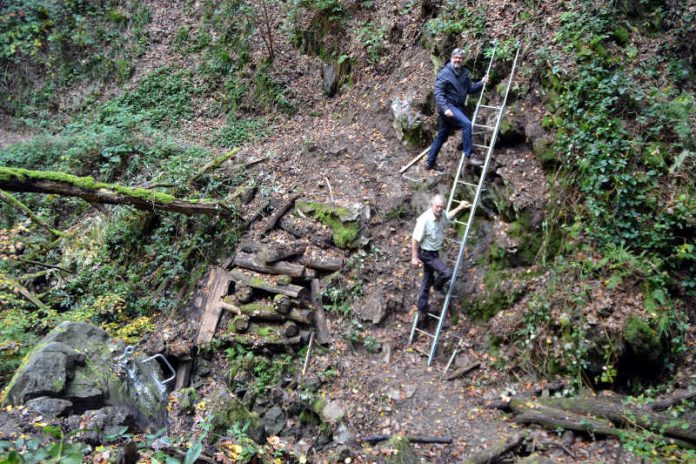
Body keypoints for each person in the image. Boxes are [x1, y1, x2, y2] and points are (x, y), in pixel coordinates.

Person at [426, 48, 488, 170]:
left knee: (442, 136)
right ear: (451, 58)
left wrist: (481, 82)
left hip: (456, 107)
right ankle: (469, 156)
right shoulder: (444, 73)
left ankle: (430, 162)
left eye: (460, 58)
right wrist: (445, 109)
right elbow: (438, 93)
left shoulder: (464, 73)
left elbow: (470, 89)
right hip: (448, 107)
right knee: (467, 124)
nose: (458, 60)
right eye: (456, 57)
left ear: (463, 60)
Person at [411, 194, 470, 318]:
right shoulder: (424, 219)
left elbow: (448, 216)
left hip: (434, 252)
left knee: (427, 279)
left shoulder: (441, 214)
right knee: (446, 273)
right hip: (426, 253)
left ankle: (422, 309)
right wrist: (414, 257)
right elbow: (415, 239)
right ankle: (436, 287)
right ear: (432, 205)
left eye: (441, 207)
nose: (439, 209)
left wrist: (460, 207)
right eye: (437, 207)